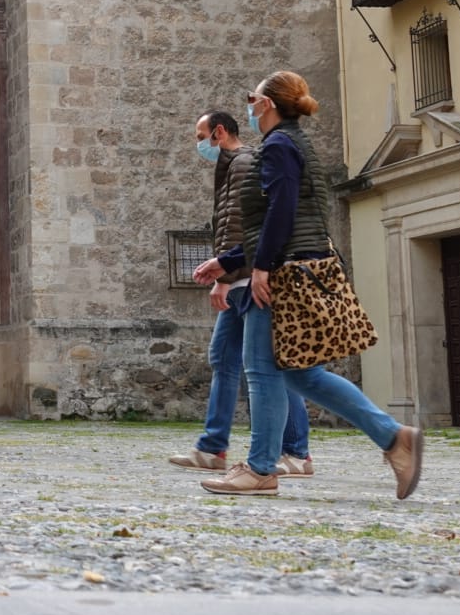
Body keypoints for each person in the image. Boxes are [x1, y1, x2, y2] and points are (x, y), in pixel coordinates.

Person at [192, 71, 423, 498]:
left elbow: (281, 211)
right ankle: (393, 437)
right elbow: (284, 219)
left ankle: (262, 468)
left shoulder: (279, 145)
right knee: (299, 375)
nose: (249, 102)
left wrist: (259, 269)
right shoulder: (292, 143)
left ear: (267, 104)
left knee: (262, 370)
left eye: (252, 96)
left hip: (283, 274)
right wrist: (226, 261)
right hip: (295, 265)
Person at [168, 110, 313, 476]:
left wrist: (225, 277)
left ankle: (295, 451)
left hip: (249, 280)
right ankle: (213, 447)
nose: (198, 144)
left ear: (219, 132)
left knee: (270, 364)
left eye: (200, 135)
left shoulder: (244, 163)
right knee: (224, 357)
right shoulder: (231, 165)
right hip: (241, 277)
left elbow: (245, 227)